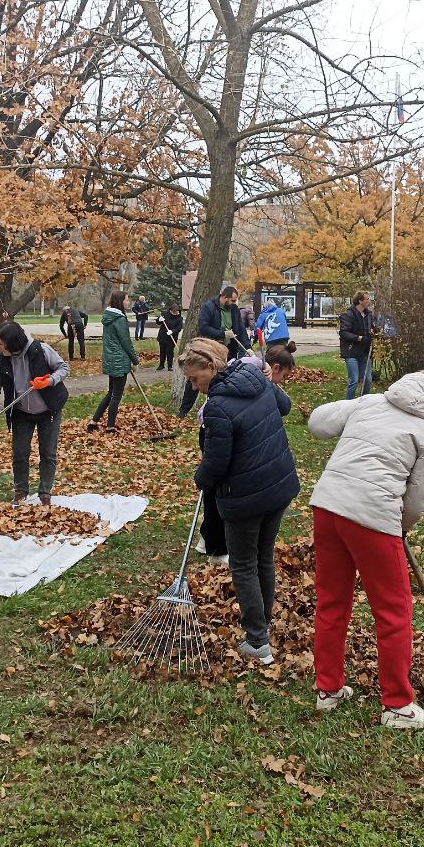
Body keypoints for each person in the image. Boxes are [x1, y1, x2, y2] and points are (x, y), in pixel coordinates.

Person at [307, 367, 424, 729]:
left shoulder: (372, 402)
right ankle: (398, 706)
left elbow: (317, 422)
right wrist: (400, 529)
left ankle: (327, 690)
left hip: (328, 507)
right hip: (372, 517)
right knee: (394, 611)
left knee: (332, 601)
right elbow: (420, 498)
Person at [182, 337, 300, 665]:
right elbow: (284, 406)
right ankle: (263, 624)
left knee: (244, 563)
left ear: (211, 367)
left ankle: (257, 641)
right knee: (263, 558)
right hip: (278, 488)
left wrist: (201, 480)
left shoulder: (218, 406)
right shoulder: (256, 382)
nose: (194, 387)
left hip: (246, 497)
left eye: (195, 379)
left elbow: (216, 464)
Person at [0, 321, 70, 508]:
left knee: (48, 453)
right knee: (19, 453)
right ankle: (21, 492)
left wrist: (49, 380)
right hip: (21, 413)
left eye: (1, 344)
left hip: (48, 410)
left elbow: (64, 368)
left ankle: (45, 492)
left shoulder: (40, 350)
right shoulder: (1, 360)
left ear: (13, 343)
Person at [179, 285, 251, 417]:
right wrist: (222, 334)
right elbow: (204, 327)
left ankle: (224, 406)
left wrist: (248, 348)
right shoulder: (209, 307)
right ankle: (183, 411)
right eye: (233, 300)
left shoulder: (234, 309)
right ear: (224, 297)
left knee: (227, 378)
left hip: (228, 351)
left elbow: (240, 329)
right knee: (196, 378)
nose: (234, 303)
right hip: (210, 349)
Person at [88, 291, 138, 433]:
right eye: (127, 300)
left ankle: (93, 422)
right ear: (120, 301)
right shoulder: (119, 319)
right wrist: (135, 361)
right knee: (116, 395)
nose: (128, 302)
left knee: (111, 393)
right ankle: (110, 427)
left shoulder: (109, 317)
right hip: (119, 361)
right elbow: (126, 342)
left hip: (111, 359)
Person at [339, 291, 376, 400]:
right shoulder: (348, 315)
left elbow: (371, 328)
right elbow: (344, 332)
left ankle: (363, 403)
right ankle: (348, 405)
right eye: (367, 299)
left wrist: (374, 332)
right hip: (351, 352)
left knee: (367, 380)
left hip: (364, 352)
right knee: (354, 380)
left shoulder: (368, 315)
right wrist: (359, 338)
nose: (369, 301)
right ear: (360, 301)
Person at [157, 304, 183, 371]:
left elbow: (179, 328)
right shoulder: (165, 314)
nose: (175, 313)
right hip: (162, 336)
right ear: (170, 311)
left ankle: (170, 366)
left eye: (177, 312)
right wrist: (159, 320)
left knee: (170, 352)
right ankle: (161, 365)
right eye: (174, 312)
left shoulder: (180, 318)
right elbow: (158, 322)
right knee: (162, 351)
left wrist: (172, 331)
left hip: (172, 338)